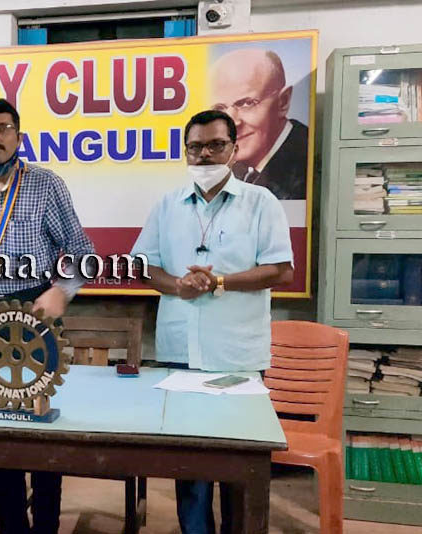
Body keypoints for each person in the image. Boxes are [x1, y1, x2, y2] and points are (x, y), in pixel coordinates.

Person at [131, 109, 294, 534]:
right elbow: (142, 266)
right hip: (180, 353)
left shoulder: (261, 202)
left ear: (234, 150)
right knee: (190, 466)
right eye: (195, 147)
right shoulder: (167, 205)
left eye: (215, 145)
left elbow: (281, 270)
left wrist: (219, 281)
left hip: (237, 357)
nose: (204, 154)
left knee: (239, 467)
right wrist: (177, 285)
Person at [0, 98, 95, 534]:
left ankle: (46, 524)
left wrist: (61, 291)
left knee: (41, 428)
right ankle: (11, 524)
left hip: (36, 316)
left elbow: (83, 254)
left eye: (2, 128)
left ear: (19, 136)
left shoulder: (46, 185)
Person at [210, 48, 309, 200]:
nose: (231, 124)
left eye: (246, 103)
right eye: (219, 109)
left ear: (283, 102)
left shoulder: (308, 165)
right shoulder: (231, 171)